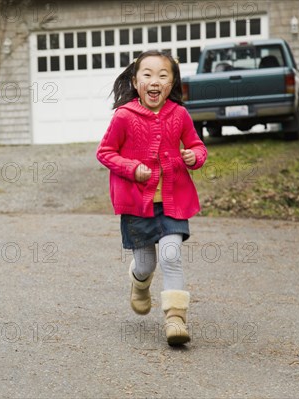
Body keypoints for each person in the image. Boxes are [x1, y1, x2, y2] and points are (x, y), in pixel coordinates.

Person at [96, 50, 207, 346]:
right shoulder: (124, 116)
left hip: (173, 202)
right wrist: (133, 169)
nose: (154, 81)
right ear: (135, 81)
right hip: (137, 205)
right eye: (147, 74)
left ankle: (175, 319)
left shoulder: (179, 114)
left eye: (162, 75)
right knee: (146, 264)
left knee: (171, 256)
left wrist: (192, 156)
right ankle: (139, 284)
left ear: (171, 84)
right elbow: (105, 153)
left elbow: (198, 147)